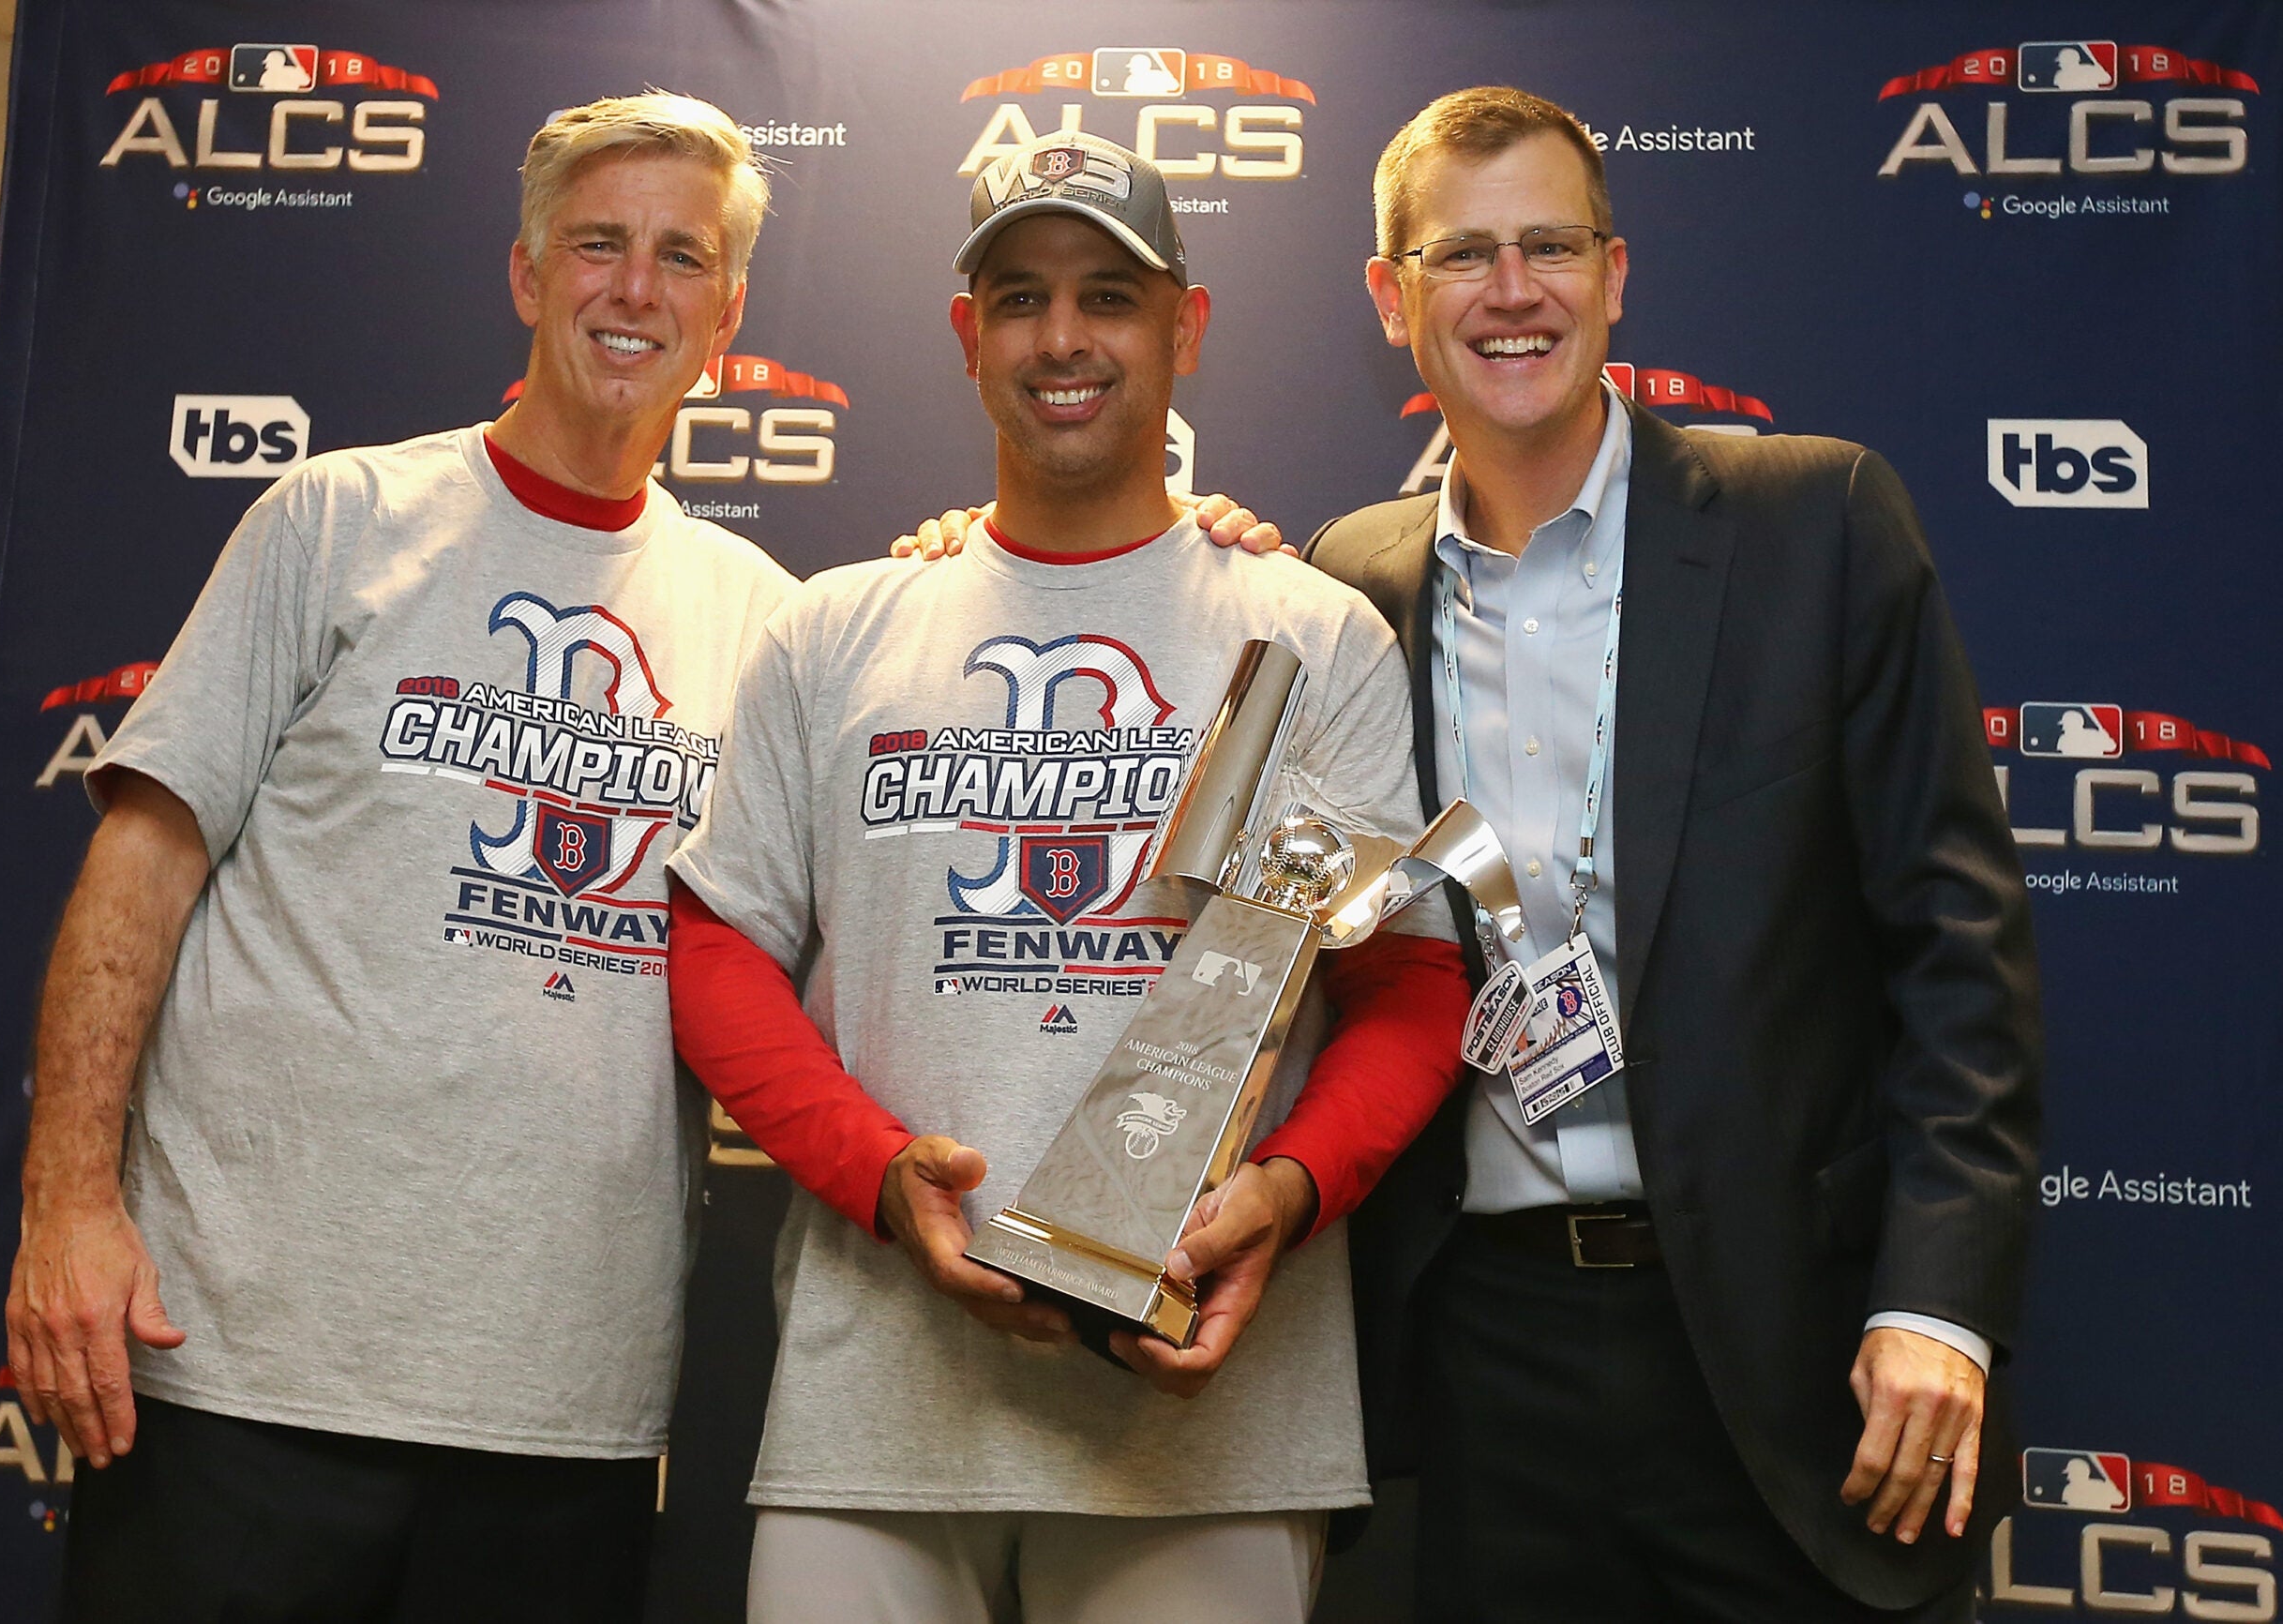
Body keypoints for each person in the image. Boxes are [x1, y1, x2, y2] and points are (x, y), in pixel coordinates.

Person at [3, 93, 798, 1619]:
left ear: (728, 307)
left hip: (561, 1408)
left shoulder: (766, 617)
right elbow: (138, 874)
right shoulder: (337, 517)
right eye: (597, 246)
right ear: (524, 274)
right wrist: (68, 1208)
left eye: (680, 257)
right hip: (232, 1365)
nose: (635, 290)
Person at [665, 130, 1470, 1622]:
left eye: (1110, 294)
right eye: (1021, 296)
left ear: (1187, 327)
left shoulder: (1310, 634)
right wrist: (880, 1175)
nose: (1064, 338)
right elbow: (717, 953)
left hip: (1206, 1426)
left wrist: (1286, 1196)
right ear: (969, 336)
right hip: (877, 1426)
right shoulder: (839, 627)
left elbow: (1410, 988)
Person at [1301, 87, 2044, 1622]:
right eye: (1462, 256)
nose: (1514, 293)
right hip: (1476, 1354)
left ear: (1616, 274)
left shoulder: (1816, 521)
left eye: (1550, 247)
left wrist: (1937, 1305)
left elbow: (1960, 958)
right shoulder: (1348, 580)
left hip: (1797, 1351)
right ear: (1393, 297)